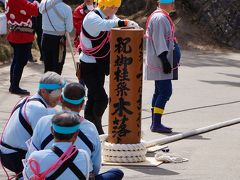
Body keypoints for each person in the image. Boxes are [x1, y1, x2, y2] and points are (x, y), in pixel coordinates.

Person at [26, 82, 124, 179]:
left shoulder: (44, 122)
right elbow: (95, 168)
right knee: (116, 172)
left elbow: (29, 163)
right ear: (82, 104)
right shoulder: (90, 129)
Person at [79, 0, 139, 134]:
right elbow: (106, 25)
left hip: (99, 63)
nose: (115, 10)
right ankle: (97, 126)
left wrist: (127, 25)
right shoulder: (92, 18)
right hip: (88, 64)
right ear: (110, 6)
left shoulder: (109, 15)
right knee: (101, 98)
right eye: (115, 7)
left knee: (93, 96)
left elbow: (114, 21)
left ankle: (89, 126)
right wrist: (126, 23)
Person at [0, 71, 65, 179]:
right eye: (56, 94)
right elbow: (46, 141)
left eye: (60, 93)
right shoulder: (38, 109)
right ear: (43, 91)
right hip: (14, 156)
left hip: (7, 152)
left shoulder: (28, 100)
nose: (59, 98)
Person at [145, 0, 180, 133]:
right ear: (167, 3)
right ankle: (156, 123)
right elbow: (159, 40)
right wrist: (164, 60)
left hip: (161, 61)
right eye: (172, 2)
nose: (173, 5)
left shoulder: (161, 16)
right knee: (165, 92)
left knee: (159, 92)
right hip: (160, 62)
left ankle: (155, 122)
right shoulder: (160, 18)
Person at [23, 112, 91, 179]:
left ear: (52, 130)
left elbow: (27, 177)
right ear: (76, 134)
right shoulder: (84, 155)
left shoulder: (36, 157)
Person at [5, 0, 39, 95]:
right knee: (20, 61)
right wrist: (35, 2)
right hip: (22, 36)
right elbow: (34, 10)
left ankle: (13, 85)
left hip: (16, 34)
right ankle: (14, 86)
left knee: (17, 60)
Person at [39, 0, 73, 75]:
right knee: (57, 68)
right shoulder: (67, 8)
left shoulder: (43, 3)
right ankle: (55, 86)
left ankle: (46, 86)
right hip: (59, 40)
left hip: (45, 38)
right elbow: (69, 29)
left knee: (47, 67)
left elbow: (40, 11)